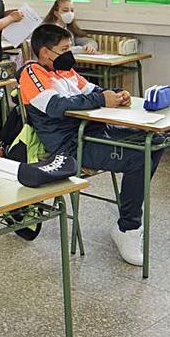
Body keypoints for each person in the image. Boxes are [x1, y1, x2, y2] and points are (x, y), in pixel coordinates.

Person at [21, 23, 158, 266]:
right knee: (139, 156)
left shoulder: (65, 71)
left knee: (154, 139)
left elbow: (93, 90)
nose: (69, 53)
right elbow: (56, 106)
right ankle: (128, 228)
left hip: (94, 131)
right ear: (45, 52)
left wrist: (116, 94)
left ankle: (129, 213)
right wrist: (99, 99)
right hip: (71, 146)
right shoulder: (32, 73)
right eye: (64, 49)